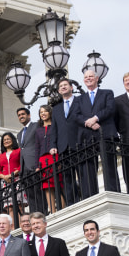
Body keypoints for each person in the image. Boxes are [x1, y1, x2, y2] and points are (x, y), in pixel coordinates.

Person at [72, 69, 119, 196]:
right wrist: (89, 122)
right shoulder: (78, 99)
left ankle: (113, 192)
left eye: (91, 76)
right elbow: (75, 116)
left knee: (109, 166)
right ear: (83, 80)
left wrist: (95, 118)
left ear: (97, 78)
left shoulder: (107, 93)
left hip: (105, 133)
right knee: (88, 169)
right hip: (86, 137)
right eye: (86, 77)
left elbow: (110, 109)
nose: (88, 78)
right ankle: (90, 196)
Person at [50, 78, 81, 206]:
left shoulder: (80, 101)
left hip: (79, 143)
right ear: (58, 90)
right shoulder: (56, 109)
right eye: (61, 86)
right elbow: (54, 129)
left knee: (82, 174)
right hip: (63, 147)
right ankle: (71, 203)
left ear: (71, 87)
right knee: (67, 177)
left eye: (65, 85)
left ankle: (84, 198)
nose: (63, 87)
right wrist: (53, 145)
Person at [36, 104, 62, 214]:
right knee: (47, 186)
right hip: (43, 159)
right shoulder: (38, 130)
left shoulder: (55, 126)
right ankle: (52, 211)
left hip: (54, 157)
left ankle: (62, 209)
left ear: (50, 113)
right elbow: (37, 147)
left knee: (58, 183)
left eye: (45, 111)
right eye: (41, 112)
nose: (43, 113)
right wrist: (37, 165)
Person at [17, 107, 43, 213]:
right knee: (30, 194)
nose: (21, 116)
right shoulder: (19, 134)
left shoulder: (36, 125)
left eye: (23, 114)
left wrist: (38, 163)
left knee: (38, 192)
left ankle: (42, 213)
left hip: (34, 164)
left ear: (29, 115)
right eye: (19, 115)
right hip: (24, 168)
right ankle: (33, 215)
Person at [0, 132, 23, 217]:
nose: (6, 141)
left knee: (19, 205)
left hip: (17, 179)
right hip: (5, 182)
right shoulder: (1, 156)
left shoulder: (18, 151)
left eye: (8, 139)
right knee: (9, 207)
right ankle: (13, 228)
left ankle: (20, 226)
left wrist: (13, 174)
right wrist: (4, 176)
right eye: (4, 140)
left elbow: (22, 165)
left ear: (12, 140)